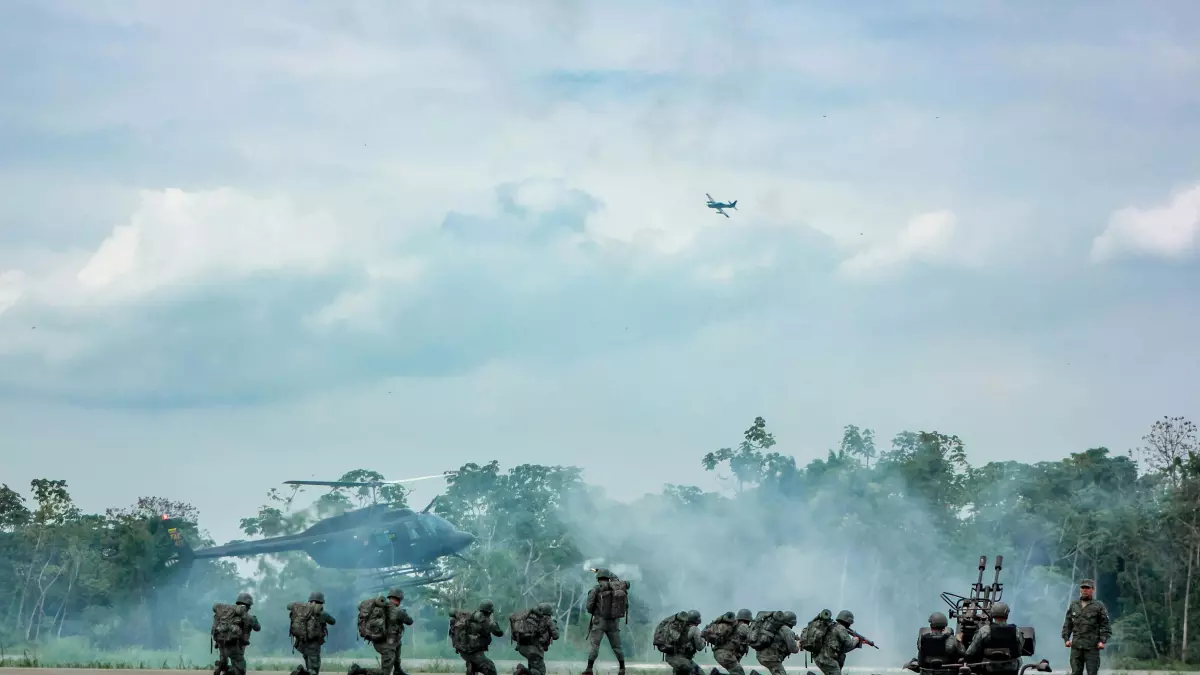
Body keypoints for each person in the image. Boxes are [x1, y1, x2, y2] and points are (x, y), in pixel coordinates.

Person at [350, 588, 414, 675]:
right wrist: (404, 613)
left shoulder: (383, 607)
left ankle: (397, 670)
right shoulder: (398, 611)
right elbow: (410, 621)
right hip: (387, 645)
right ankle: (359, 670)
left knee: (398, 643)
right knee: (384, 673)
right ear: (399, 599)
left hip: (380, 640)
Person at [583, 568, 630, 675]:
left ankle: (589, 669)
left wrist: (595, 611)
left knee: (595, 645)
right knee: (617, 646)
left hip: (599, 621)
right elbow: (615, 579)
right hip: (614, 622)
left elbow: (589, 607)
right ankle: (622, 669)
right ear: (609, 578)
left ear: (598, 578)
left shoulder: (596, 589)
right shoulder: (617, 588)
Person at [1061, 579, 1111, 675]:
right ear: (1080, 589)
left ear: (1092, 590)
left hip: (1092, 647)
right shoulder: (1074, 605)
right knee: (1075, 672)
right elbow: (1068, 624)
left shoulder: (1098, 606)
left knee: (1092, 672)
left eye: (1087, 588)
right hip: (1076, 647)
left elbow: (1105, 625)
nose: (1085, 590)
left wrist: (1102, 641)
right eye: (1083, 587)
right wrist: (1066, 639)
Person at [962, 602, 1021, 675]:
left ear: (992, 614)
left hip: (988, 669)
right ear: (1007, 614)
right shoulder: (1016, 631)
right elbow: (1019, 651)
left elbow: (970, 653)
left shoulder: (984, 631)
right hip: (1011, 669)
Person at [290, 591, 337, 675]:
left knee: (309, 668)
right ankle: (300, 672)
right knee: (313, 670)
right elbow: (333, 621)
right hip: (314, 647)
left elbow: (289, 606)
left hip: (302, 645)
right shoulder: (322, 614)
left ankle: (301, 671)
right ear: (321, 602)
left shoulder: (302, 611)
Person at [214, 592, 261, 675]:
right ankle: (227, 670)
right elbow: (257, 628)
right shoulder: (248, 617)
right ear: (248, 605)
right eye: (249, 606)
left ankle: (220, 666)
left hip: (221, 644)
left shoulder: (226, 615)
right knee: (240, 669)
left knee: (226, 662)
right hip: (235, 646)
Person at [453, 600, 505, 675]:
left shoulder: (469, 618)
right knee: (491, 669)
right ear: (490, 612)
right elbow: (499, 633)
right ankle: (474, 667)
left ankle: (472, 667)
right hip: (476, 654)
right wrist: (495, 624)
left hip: (463, 652)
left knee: (477, 665)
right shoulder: (486, 622)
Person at [513, 602, 559, 675]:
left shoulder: (531, 619)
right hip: (534, 650)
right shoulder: (547, 620)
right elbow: (556, 636)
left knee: (533, 670)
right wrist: (555, 625)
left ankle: (523, 669)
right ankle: (522, 669)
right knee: (541, 672)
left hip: (523, 647)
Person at [812, 610, 862, 675]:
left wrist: (857, 644)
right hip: (827, 659)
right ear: (848, 621)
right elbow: (849, 644)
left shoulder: (832, 626)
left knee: (842, 657)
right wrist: (856, 640)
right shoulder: (841, 628)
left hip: (820, 657)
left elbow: (842, 649)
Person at [708, 609, 753, 675]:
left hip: (722, 653)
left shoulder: (734, 625)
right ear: (748, 619)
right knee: (739, 673)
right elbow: (753, 637)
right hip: (726, 654)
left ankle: (716, 674)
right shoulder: (743, 626)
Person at [754, 611, 799, 675]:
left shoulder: (777, 627)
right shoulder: (787, 630)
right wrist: (798, 644)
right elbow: (793, 649)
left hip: (762, 656)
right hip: (771, 658)